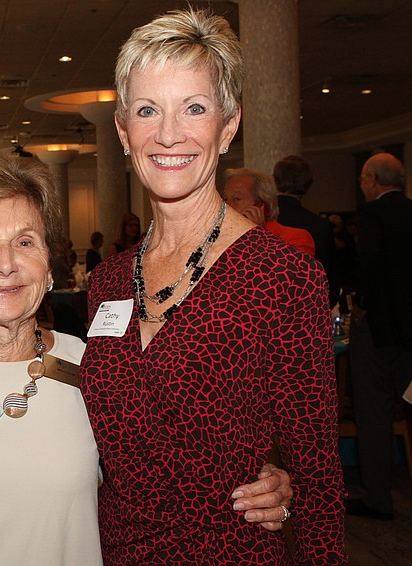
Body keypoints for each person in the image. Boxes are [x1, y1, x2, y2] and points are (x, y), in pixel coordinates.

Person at [0, 152, 295, 565]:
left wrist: (268, 484)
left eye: (25, 242)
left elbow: (175, 467)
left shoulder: (98, 365)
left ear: (50, 266)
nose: (5, 264)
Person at [81, 9, 346, 564]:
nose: (168, 133)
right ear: (124, 132)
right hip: (116, 550)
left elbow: (318, 482)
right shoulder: (107, 281)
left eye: (194, 108)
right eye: (148, 110)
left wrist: (288, 494)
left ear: (228, 126)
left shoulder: (283, 278)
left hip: (230, 551)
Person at [346, 152, 412, 521]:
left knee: (374, 412)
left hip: (379, 328)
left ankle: (378, 499)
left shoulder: (373, 213)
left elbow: (368, 263)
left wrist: (362, 305)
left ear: (372, 179)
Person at [273, 155, 339, 302]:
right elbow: (329, 279)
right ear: (308, 184)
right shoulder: (320, 225)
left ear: (275, 180)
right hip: (310, 304)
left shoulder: (263, 219)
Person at [222, 167, 315, 256]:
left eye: (237, 199)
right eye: (225, 199)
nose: (226, 206)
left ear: (261, 206)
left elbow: (287, 267)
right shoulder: (222, 240)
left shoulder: (297, 238)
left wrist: (259, 238)